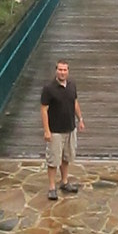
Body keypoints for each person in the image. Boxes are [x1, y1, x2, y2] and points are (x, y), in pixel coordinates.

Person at [40, 59, 84, 200]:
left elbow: (75, 102)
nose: (62, 72)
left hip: (70, 128)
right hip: (55, 130)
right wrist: (47, 130)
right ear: (56, 70)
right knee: (53, 160)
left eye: (65, 70)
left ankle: (64, 182)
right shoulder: (48, 88)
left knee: (66, 157)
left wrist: (80, 119)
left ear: (68, 71)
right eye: (60, 69)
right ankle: (52, 187)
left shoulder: (72, 85)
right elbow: (44, 109)